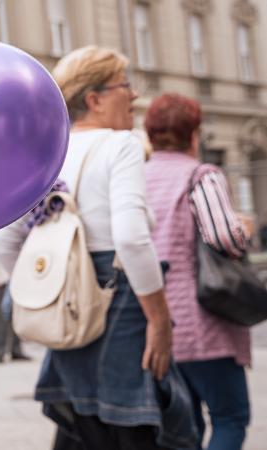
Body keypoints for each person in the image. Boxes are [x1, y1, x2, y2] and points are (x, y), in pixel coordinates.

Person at [0, 46, 195, 449]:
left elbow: (1, 240)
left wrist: (47, 288)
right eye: (125, 86)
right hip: (122, 306)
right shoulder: (121, 145)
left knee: (83, 430)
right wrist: (158, 319)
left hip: (70, 316)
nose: (134, 96)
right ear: (95, 99)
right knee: (148, 429)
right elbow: (132, 238)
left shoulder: (47, 154)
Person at [144, 93, 251, 450]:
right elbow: (224, 236)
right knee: (230, 417)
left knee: (183, 425)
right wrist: (245, 229)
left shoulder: (137, 177)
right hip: (202, 322)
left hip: (153, 322)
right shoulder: (201, 175)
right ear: (194, 134)